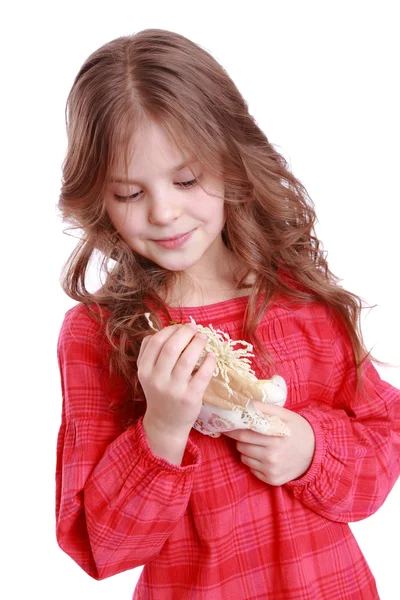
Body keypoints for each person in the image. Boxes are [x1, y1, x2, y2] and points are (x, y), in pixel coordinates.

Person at [55, 28, 400, 600]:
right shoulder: (98, 336)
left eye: (186, 179)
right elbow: (101, 545)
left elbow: (385, 439)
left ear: (233, 163)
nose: (164, 212)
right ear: (98, 199)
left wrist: (311, 447)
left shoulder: (300, 300)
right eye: (128, 193)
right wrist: (161, 428)